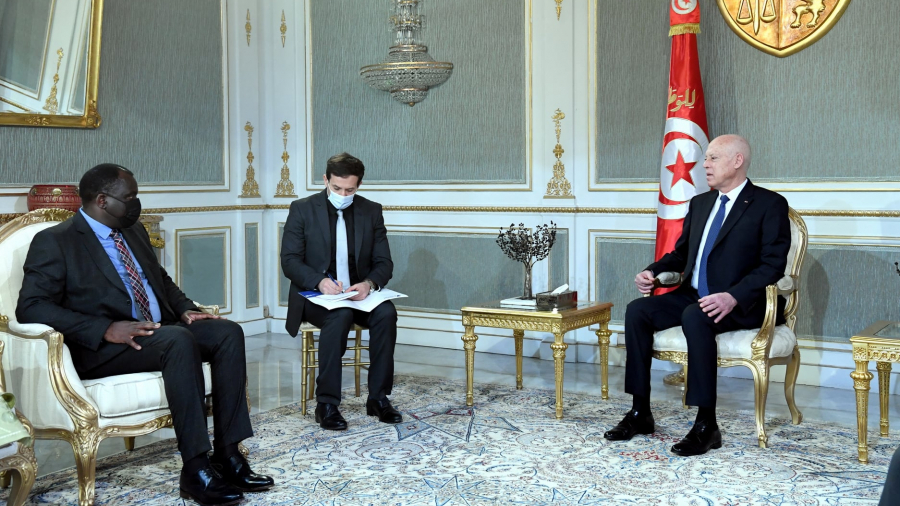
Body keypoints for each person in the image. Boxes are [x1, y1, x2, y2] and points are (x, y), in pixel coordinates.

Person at [16, 164, 273, 506]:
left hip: (155, 330)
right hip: (102, 347)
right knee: (177, 340)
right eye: (130, 197)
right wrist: (105, 329)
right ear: (102, 200)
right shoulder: (56, 241)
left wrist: (185, 308)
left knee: (227, 332)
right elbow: (31, 307)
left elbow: (160, 279)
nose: (137, 204)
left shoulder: (132, 230)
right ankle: (195, 469)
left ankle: (228, 455)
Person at [604, 135, 791, 456]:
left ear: (737, 161)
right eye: (705, 158)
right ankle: (640, 412)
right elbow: (682, 254)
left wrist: (732, 296)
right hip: (695, 294)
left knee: (696, 315)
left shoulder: (769, 204)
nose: (704, 164)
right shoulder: (701, 203)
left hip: (744, 301)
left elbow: (772, 265)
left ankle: (706, 425)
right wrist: (652, 271)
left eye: (713, 158)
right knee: (638, 311)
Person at [281, 152, 400, 431]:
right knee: (340, 316)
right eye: (337, 188)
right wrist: (319, 282)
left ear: (359, 185)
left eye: (350, 190)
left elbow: (384, 262)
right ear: (325, 180)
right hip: (316, 295)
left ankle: (378, 398)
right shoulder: (302, 209)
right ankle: (326, 404)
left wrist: (368, 284)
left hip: (358, 295)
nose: (343, 195)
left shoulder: (371, 211)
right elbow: (290, 261)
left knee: (387, 314)